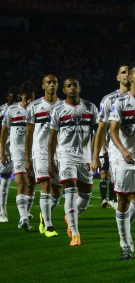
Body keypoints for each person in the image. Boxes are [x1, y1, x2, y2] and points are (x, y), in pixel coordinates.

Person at [48, 78, 98, 246]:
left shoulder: (90, 107)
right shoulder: (58, 110)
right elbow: (52, 138)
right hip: (66, 156)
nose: (72, 88)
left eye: (75, 85)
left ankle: (69, 216)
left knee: (85, 196)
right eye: (68, 86)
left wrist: (96, 155)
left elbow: (97, 132)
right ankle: (75, 234)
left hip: (85, 157)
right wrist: (50, 161)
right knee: (69, 191)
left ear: (80, 87)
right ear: (64, 90)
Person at [108, 62, 135, 261]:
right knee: (124, 201)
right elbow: (113, 130)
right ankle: (124, 243)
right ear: (131, 78)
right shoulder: (121, 102)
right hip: (125, 160)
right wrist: (123, 150)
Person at [25, 74, 64, 237]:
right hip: (40, 151)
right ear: (43, 86)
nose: (52, 85)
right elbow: (29, 133)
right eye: (49, 82)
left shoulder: (64, 105)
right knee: (45, 184)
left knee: (57, 191)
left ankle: (44, 215)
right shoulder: (34, 106)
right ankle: (48, 225)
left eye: (55, 82)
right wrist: (27, 158)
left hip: (59, 151)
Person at [91, 64, 130, 211]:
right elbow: (101, 129)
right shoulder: (109, 100)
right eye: (123, 72)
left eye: (129, 72)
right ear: (118, 77)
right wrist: (95, 157)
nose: (127, 74)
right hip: (117, 152)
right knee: (123, 196)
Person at [1, 81, 37, 231]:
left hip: (35, 153)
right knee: (21, 183)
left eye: (31, 97)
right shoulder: (11, 111)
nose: (29, 100)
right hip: (17, 153)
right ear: (21, 95)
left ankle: (25, 215)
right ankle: (23, 218)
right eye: (26, 97)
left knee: (31, 185)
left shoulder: (37, 109)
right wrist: (2, 151)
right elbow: (3, 132)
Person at [0, 90, 17, 223]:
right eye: (10, 96)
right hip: (5, 149)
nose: (13, 99)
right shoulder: (2, 110)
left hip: (19, 149)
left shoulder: (23, 109)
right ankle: (2, 212)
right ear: (7, 97)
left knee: (26, 181)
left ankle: (24, 213)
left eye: (15, 97)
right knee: (5, 181)